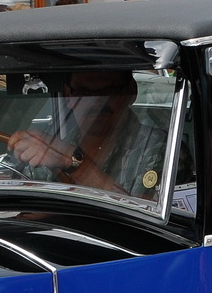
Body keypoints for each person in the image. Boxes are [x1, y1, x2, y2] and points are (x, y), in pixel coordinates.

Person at [10, 69, 173, 200]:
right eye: (85, 93)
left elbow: (145, 224)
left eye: (109, 91)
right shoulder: (50, 145)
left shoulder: (162, 149)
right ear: (68, 95)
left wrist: (72, 160)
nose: (97, 102)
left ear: (131, 91)